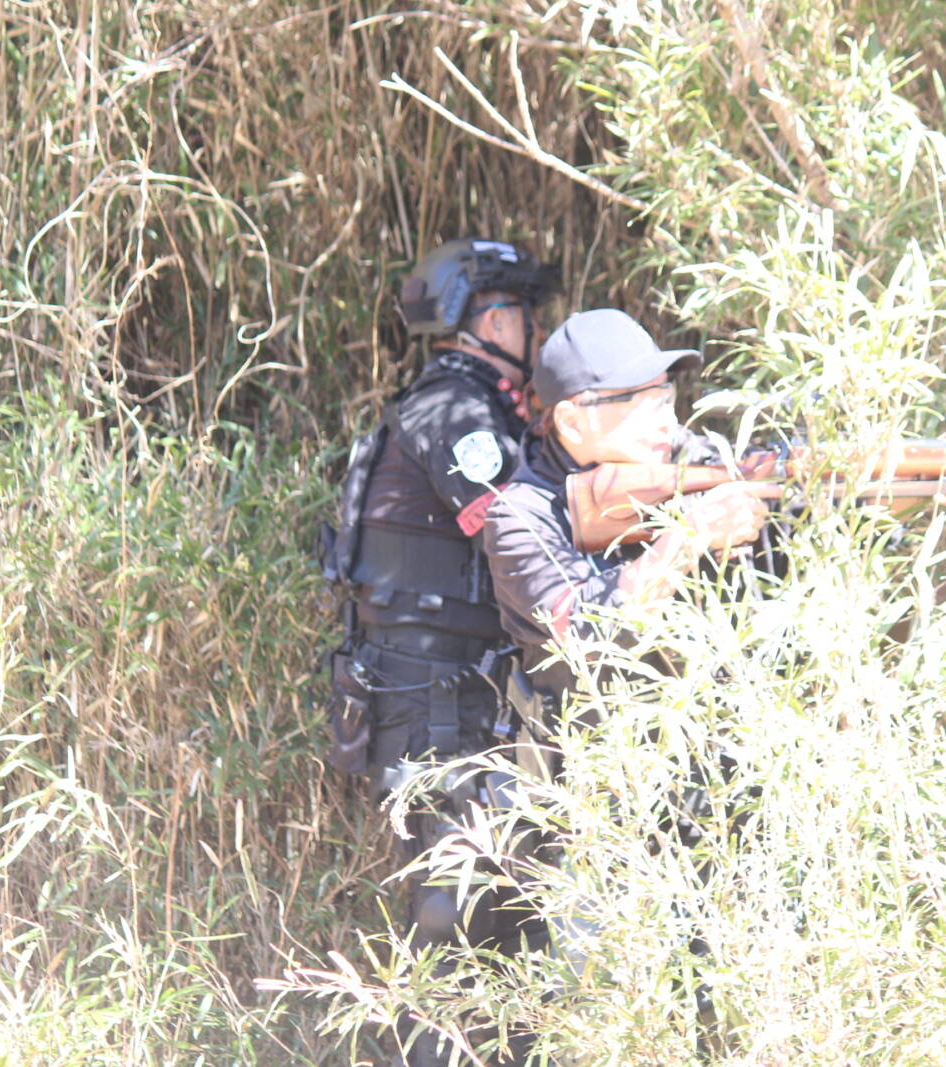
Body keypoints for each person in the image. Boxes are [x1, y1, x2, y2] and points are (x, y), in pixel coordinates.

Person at [317, 238, 560, 1067]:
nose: (535, 332)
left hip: (460, 697)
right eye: (527, 315)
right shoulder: (452, 412)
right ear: (491, 321)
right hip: (434, 704)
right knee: (453, 916)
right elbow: (517, 523)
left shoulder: (477, 407)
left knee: (508, 915)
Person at [482, 308, 773, 704]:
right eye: (644, 404)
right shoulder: (521, 516)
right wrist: (690, 537)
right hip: (600, 737)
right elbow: (589, 631)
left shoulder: (684, 458)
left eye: (667, 397)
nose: (667, 421)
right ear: (571, 421)